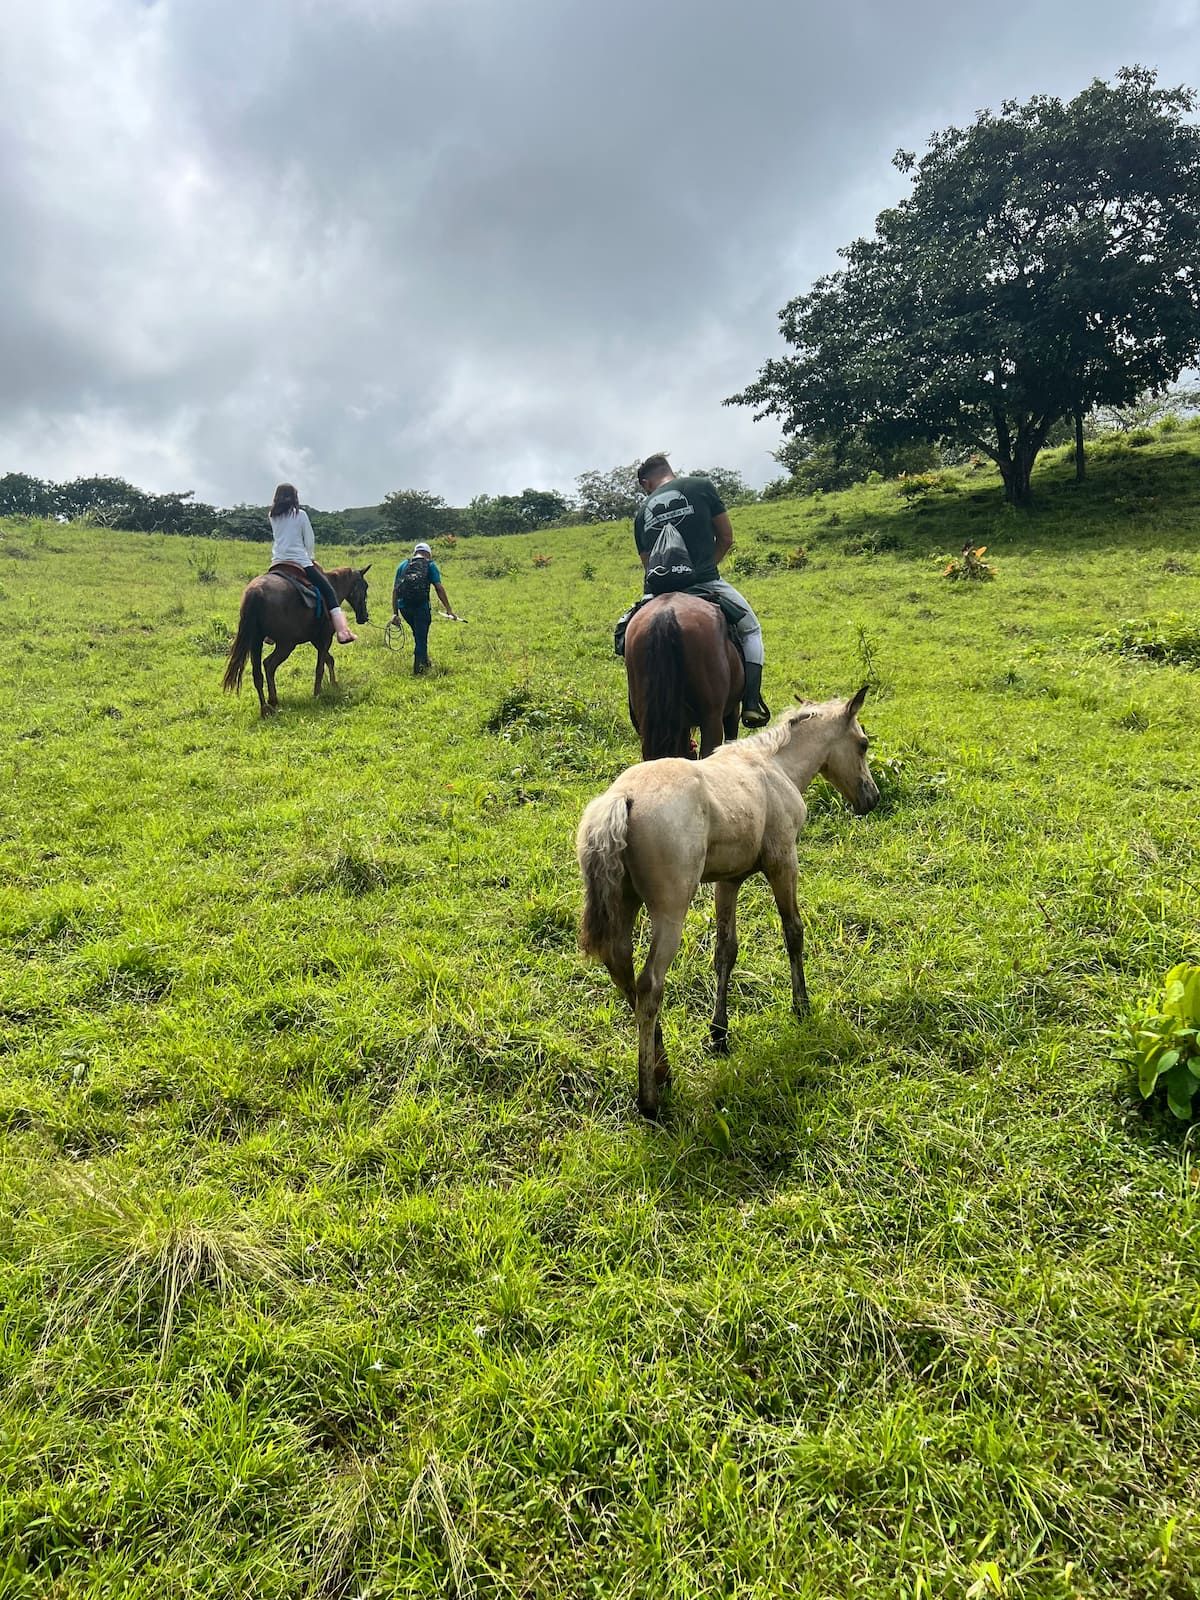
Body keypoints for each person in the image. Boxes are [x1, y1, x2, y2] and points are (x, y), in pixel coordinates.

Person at [632, 454, 770, 726]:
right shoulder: (701, 486)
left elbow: (648, 564)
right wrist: (704, 569)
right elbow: (727, 538)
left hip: (658, 592)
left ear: (646, 482)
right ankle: (751, 703)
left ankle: (638, 714)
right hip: (705, 581)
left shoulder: (641, 512)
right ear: (670, 471)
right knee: (751, 630)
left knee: (628, 637)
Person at [268, 483, 356, 643]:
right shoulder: (300, 515)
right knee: (329, 591)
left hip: (277, 562)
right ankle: (343, 632)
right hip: (299, 561)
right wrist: (310, 557)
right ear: (294, 497)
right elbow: (309, 540)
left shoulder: (272, 516)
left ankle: (269, 633)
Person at [391, 541, 457, 674]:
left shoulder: (403, 565)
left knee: (418, 633)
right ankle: (418, 670)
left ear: (415, 552)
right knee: (421, 638)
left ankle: (425, 661)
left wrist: (395, 613)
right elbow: (438, 588)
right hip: (421, 607)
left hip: (404, 608)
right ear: (428, 554)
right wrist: (449, 609)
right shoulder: (430, 565)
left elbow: (395, 591)